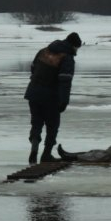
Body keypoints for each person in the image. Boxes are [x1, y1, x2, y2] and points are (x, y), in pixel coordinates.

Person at [23, 32, 83, 163]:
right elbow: (65, 81)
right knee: (52, 125)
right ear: (74, 46)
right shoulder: (66, 58)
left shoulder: (44, 51)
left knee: (36, 122)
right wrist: (64, 101)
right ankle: (46, 154)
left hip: (33, 93)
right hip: (50, 96)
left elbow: (33, 68)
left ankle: (34, 148)